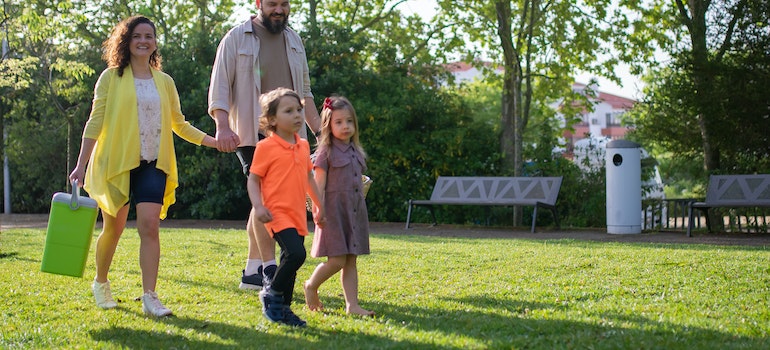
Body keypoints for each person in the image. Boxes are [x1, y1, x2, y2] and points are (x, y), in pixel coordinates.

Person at [69, 15, 218, 317]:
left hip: (154, 163)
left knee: (150, 226)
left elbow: (179, 124)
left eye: (149, 36)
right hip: (117, 164)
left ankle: (150, 296)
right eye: (137, 36)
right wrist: (81, 165)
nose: (143, 41)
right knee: (114, 228)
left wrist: (213, 141)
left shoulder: (165, 82)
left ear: (154, 43)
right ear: (126, 41)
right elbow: (95, 121)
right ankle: (101, 282)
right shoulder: (111, 77)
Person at [208, 0, 322, 291]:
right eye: (272, 4)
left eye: (284, 4)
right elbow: (220, 86)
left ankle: (252, 271)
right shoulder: (236, 37)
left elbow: (305, 94)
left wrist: (321, 133)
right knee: (268, 198)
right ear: (258, 3)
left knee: (263, 202)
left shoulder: (294, 40)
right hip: (250, 132)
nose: (279, 10)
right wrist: (222, 126)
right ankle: (269, 269)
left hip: (290, 136)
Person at [247, 88, 325, 327]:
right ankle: (271, 294)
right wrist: (258, 207)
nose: (297, 115)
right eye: (288, 111)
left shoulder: (302, 146)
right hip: (275, 213)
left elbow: (309, 178)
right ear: (272, 119)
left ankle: (283, 310)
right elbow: (253, 180)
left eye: (299, 110)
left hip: (297, 213)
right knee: (296, 254)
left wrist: (321, 206)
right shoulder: (266, 147)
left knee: (289, 262)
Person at [303, 96, 374, 316]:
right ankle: (311, 286)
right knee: (336, 260)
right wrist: (318, 208)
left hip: (353, 212)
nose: (346, 126)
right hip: (333, 213)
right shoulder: (326, 153)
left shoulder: (356, 152)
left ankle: (352, 305)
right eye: (339, 122)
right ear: (328, 125)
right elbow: (318, 183)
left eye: (349, 121)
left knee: (351, 259)